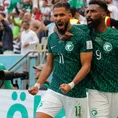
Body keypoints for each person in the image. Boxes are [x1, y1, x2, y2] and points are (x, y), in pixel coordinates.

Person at [28, 2, 93, 118]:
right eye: (56, 15)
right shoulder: (52, 37)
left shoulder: (82, 36)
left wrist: (71, 85)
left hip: (76, 93)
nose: (58, 18)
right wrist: (37, 85)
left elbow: (86, 66)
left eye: (62, 15)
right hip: (55, 90)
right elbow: (49, 66)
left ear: (70, 16)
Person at [77, 0, 118, 118]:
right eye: (87, 11)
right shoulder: (83, 31)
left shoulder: (115, 36)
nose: (88, 14)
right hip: (96, 90)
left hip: (116, 89)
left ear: (104, 14)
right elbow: (58, 28)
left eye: (93, 11)